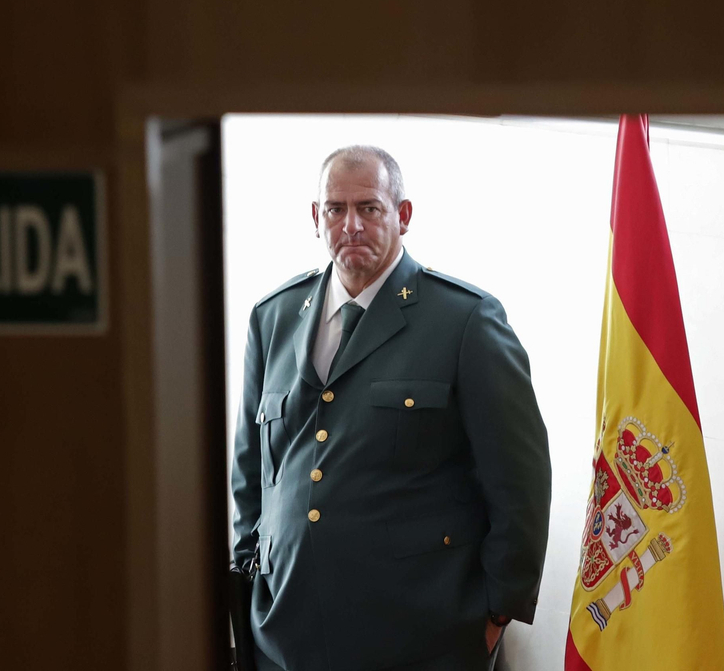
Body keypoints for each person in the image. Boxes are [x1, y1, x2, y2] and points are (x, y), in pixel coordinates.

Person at [231, 145, 552, 671]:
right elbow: (252, 468)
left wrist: (497, 611)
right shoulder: (274, 317)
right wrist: (246, 581)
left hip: (420, 634)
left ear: (402, 216)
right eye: (335, 209)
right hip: (285, 635)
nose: (351, 225)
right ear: (316, 218)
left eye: (369, 208)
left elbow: (520, 481)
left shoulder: (465, 321)